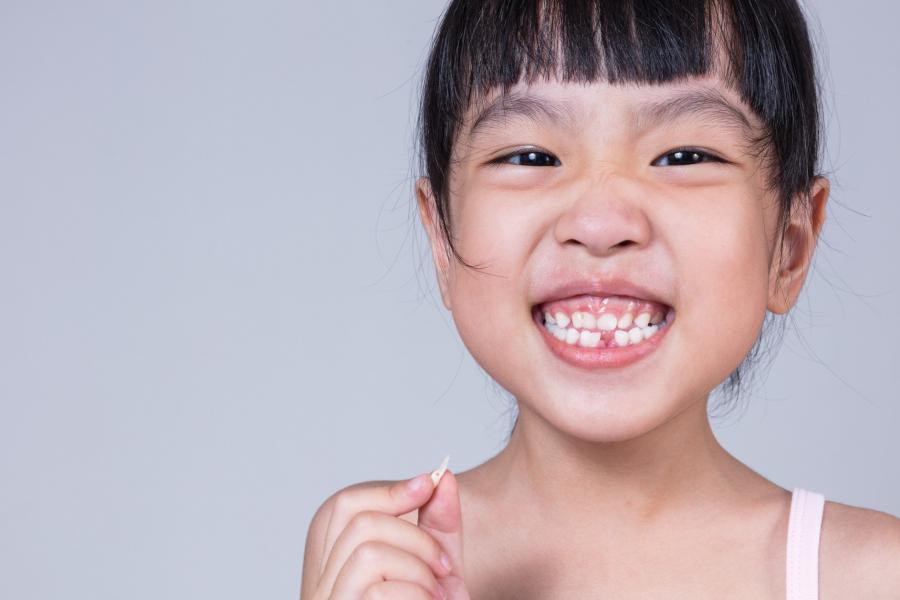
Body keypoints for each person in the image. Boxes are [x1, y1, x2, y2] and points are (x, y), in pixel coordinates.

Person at [300, 1, 900, 598]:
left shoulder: (869, 575)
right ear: (441, 238)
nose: (600, 220)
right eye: (530, 157)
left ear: (790, 248)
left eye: (684, 156)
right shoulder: (382, 554)